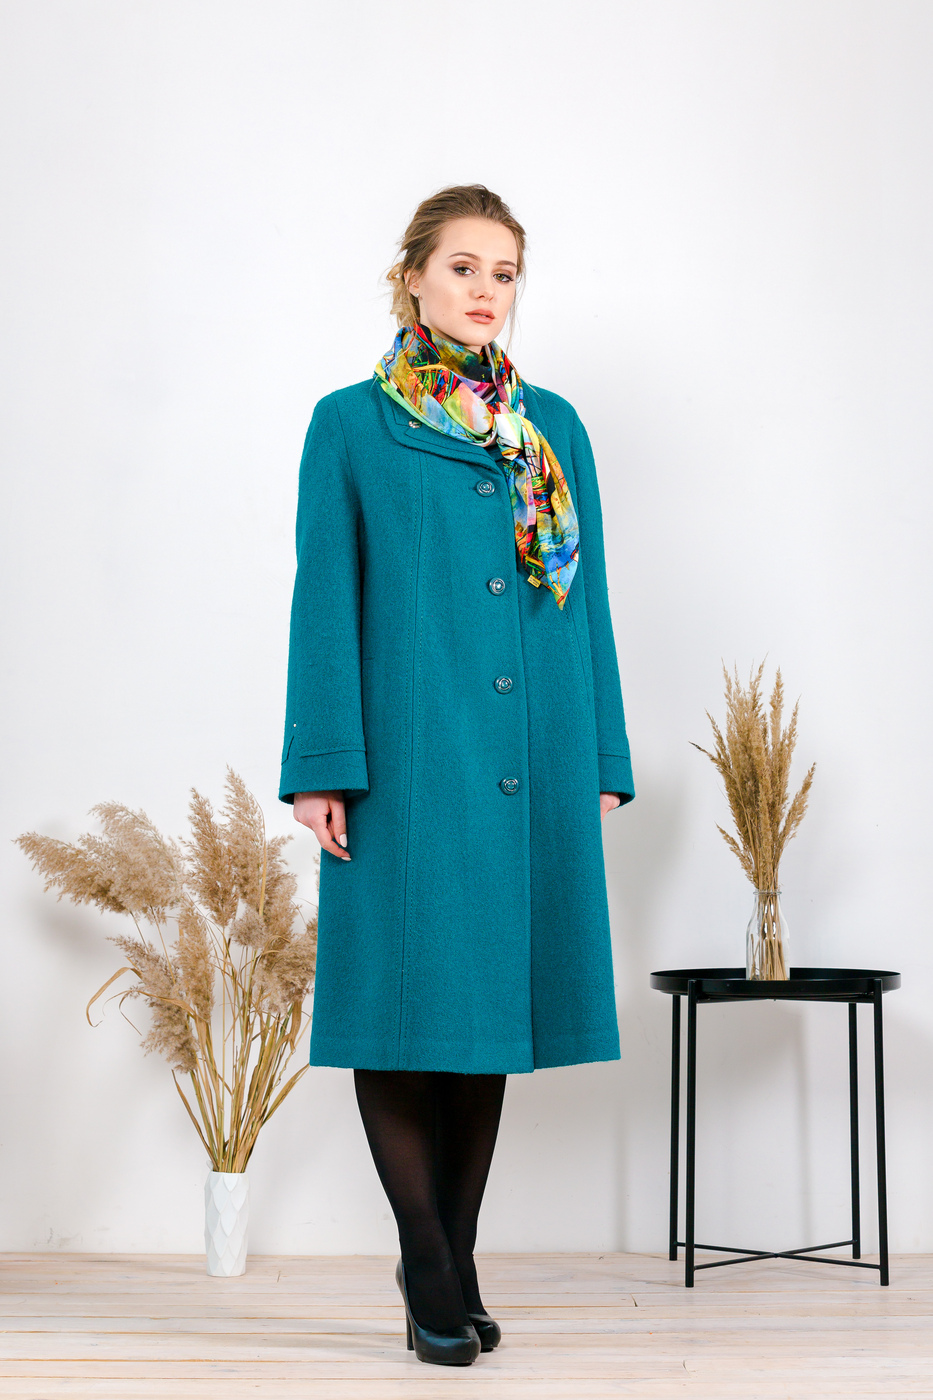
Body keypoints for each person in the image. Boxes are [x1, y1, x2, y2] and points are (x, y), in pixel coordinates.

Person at [279, 184, 634, 1366]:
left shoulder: (553, 427)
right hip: (408, 757)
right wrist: (322, 766)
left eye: (505, 272)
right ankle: (427, 1259)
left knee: (488, 1013)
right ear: (414, 278)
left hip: (531, 757)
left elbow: (585, 603)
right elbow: (325, 599)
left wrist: (600, 756)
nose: (487, 290)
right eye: (465, 266)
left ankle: (457, 1253)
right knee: (399, 1006)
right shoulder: (351, 424)